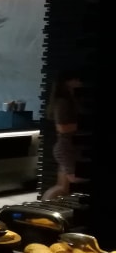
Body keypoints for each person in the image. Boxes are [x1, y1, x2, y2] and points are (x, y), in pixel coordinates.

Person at [42, 70, 83, 201]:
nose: (79, 82)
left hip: (67, 148)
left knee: (62, 187)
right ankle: (42, 208)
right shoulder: (63, 102)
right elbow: (62, 128)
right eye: (76, 79)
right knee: (66, 185)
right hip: (66, 148)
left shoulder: (68, 100)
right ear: (67, 82)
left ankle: (43, 208)